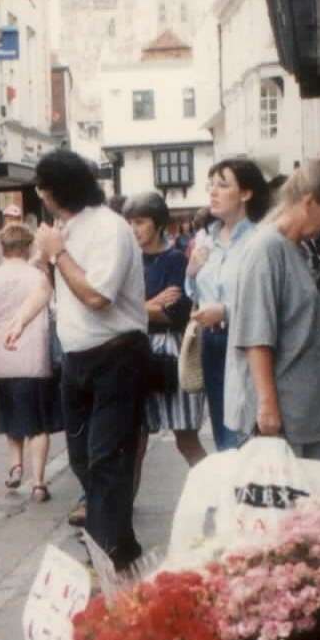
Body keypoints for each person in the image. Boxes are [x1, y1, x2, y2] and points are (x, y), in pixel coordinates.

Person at [194, 157, 320, 468]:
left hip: (308, 411)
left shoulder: (301, 247)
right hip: (282, 416)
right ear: (309, 202)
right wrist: (267, 408)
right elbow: (257, 336)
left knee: (315, 507)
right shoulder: (266, 249)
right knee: (281, 510)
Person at [33, 149, 149, 571]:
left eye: (42, 189)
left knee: (106, 460)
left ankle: (108, 555)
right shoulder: (68, 228)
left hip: (116, 355)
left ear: (52, 192)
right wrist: (48, 256)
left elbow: (98, 297)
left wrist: (58, 254)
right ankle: (119, 545)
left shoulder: (110, 229)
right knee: (83, 459)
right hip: (78, 359)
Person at [0, 223, 57, 501]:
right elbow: (52, 312)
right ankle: (39, 482)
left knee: (11, 417)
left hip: (2, 358)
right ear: (28, 247)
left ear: (2, 249)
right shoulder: (39, 276)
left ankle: (16, 466)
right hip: (36, 357)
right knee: (39, 423)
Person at [184, 157, 271, 451]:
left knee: (246, 427)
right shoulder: (207, 238)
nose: (213, 192)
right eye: (211, 186)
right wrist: (192, 271)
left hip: (246, 343)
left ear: (245, 193)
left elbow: (266, 301)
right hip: (211, 341)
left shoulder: (260, 240)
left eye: (223, 185)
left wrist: (226, 311)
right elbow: (193, 291)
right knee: (222, 429)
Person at [124, 190, 206, 473]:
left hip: (172, 350)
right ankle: (120, 511)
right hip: (135, 348)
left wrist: (132, 307)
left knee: (185, 437)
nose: (134, 229)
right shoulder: (127, 260)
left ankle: (215, 492)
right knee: (135, 437)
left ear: (158, 223)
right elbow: (113, 307)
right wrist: (149, 305)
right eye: (131, 222)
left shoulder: (174, 261)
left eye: (141, 222)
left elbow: (176, 313)